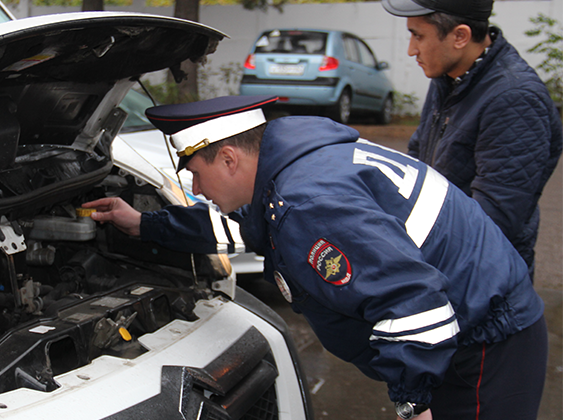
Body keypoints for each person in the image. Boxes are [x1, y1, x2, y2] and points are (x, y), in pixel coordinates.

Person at [82, 95, 547, 419]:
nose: (195, 190)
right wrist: (142, 223)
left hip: (480, 348)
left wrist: (412, 400)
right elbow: (250, 227)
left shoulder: (306, 202)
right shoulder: (296, 166)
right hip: (472, 331)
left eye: (196, 174)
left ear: (229, 158)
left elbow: (415, 306)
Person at [382, 0, 563, 280]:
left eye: (419, 35)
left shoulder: (514, 99)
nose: (411, 50)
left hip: (482, 283)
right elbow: (419, 159)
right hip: (440, 262)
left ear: (460, 36)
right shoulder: (450, 78)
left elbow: (494, 220)